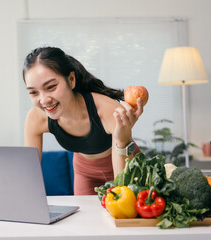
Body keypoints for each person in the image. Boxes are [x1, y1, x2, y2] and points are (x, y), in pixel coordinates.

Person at [22, 47, 144, 195]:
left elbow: (124, 187)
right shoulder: (36, 118)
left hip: (124, 163)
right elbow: (28, 174)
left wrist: (122, 138)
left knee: (124, 212)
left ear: (71, 80)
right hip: (85, 172)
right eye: (34, 92)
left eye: (51, 87)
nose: (44, 100)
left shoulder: (108, 110)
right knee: (84, 218)